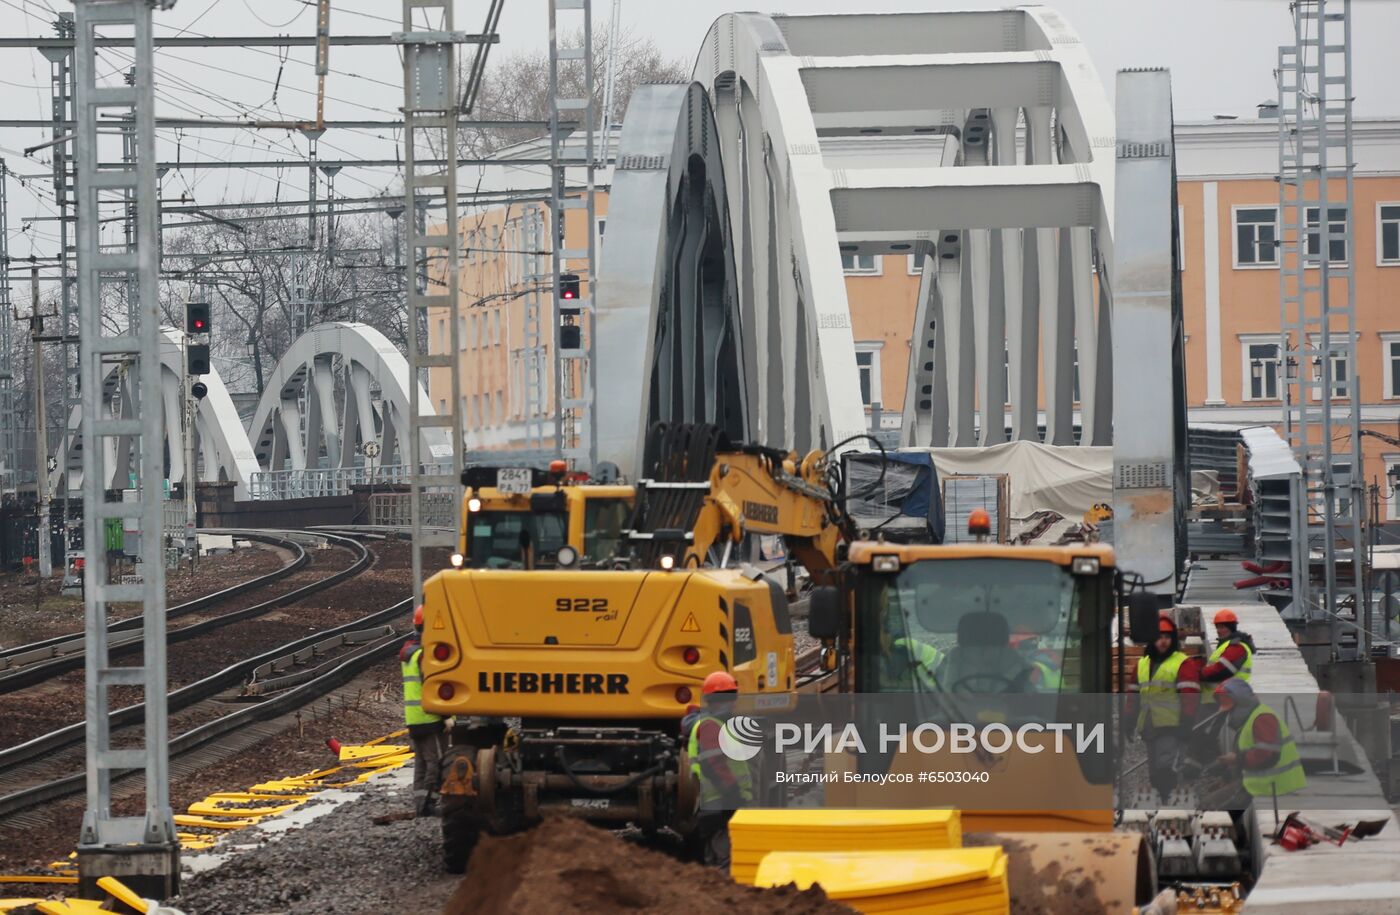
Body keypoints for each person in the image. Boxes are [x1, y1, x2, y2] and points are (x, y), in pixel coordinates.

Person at [1128, 614, 1202, 802]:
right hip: (1149, 726)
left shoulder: (1182, 663)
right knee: (1154, 771)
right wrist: (1129, 720)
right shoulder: (1142, 664)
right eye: (1159, 636)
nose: (1163, 641)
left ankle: (1169, 807)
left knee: (1165, 769)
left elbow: (1190, 695)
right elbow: (1133, 696)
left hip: (1172, 727)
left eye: (1168, 637)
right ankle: (1162, 805)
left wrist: (1186, 722)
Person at [685, 671, 754, 868]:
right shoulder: (711, 726)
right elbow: (712, 763)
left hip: (715, 804)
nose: (731, 703)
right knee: (725, 862)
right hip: (720, 803)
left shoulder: (716, 725)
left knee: (715, 863)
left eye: (732, 697)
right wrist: (732, 794)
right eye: (727, 698)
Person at [1214, 678, 1305, 806]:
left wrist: (1236, 759)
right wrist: (1227, 776)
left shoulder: (1263, 717)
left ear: (1240, 703)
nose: (1229, 715)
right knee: (1212, 803)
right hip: (1260, 784)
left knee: (1213, 807)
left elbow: (1267, 756)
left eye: (1230, 710)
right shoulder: (1251, 718)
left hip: (1273, 786)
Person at [401, 604, 447, 816]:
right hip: (429, 718)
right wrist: (447, 715)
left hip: (414, 718)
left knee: (421, 763)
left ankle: (420, 804)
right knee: (437, 762)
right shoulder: (424, 656)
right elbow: (433, 686)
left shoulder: (410, 653)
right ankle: (430, 803)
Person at [1200, 609, 1255, 700]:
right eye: (1217, 627)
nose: (1218, 631)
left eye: (1222, 627)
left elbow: (1222, 670)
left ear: (1231, 628)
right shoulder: (1227, 644)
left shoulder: (1237, 647)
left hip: (1229, 697)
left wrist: (1199, 674)